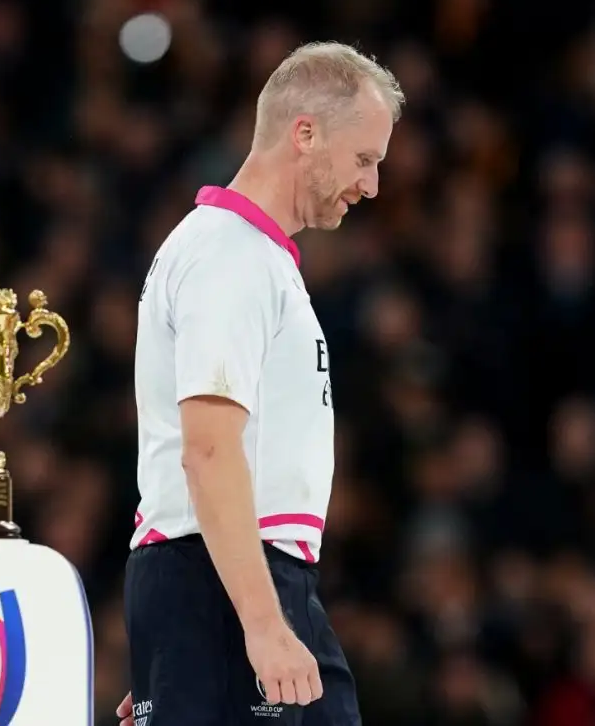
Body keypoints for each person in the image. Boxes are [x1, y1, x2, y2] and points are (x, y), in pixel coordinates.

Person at [116, 41, 404, 725]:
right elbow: (207, 450)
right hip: (227, 587)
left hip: (246, 586)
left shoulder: (255, 259)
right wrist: (255, 626)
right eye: (364, 160)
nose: (371, 186)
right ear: (305, 133)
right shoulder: (229, 255)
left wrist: (183, 658)